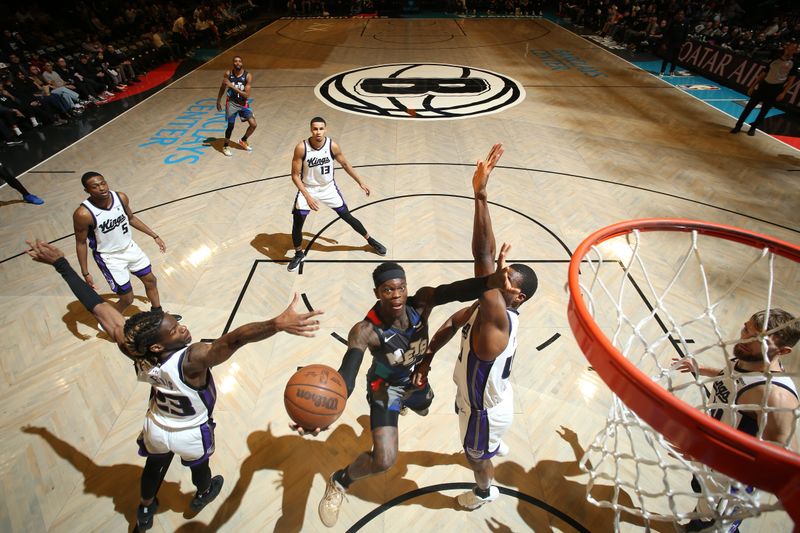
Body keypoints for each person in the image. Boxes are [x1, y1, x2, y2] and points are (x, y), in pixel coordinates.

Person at [24, 239, 323, 532]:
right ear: (157, 346)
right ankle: (204, 493)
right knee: (199, 467)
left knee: (154, 466)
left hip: (155, 426)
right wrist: (276, 324)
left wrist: (61, 265)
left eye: (176, 322)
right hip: (190, 431)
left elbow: (97, 307)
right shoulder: (192, 360)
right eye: (175, 330)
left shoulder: (132, 347)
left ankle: (144, 508)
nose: (183, 327)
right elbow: (234, 339)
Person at [301, 146, 526, 529]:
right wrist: (331, 402)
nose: (397, 294)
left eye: (400, 286)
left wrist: (490, 282)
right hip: (385, 388)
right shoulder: (365, 331)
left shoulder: (421, 301)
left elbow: (457, 289)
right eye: (388, 289)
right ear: (377, 294)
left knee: (425, 402)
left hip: (415, 380)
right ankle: (341, 480)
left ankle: (413, 401)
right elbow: (349, 370)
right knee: (385, 458)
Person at [411, 143, 538, 509]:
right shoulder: (486, 312)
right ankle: (493, 444)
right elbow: (454, 320)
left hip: (482, 411)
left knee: (475, 458)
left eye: (505, 279)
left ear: (518, 298)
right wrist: (429, 356)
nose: (498, 279)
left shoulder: (497, 321)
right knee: (482, 440)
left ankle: (485, 491)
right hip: (487, 396)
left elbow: (482, 258)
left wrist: (480, 196)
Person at [673, 308, 799, 531]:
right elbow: (728, 373)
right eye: (746, 330)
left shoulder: (775, 396)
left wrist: (710, 453)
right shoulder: (747, 357)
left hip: (730, 482)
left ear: (784, 350)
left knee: (714, 525)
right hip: (710, 462)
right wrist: (699, 368)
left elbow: (779, 464)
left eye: (757, 339)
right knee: (702, 512)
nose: (745, 339)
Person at [286, 116, 386, 272]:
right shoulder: (301, 148)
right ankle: (299, 253)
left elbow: (345, 164)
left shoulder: (332, 145)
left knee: (347, 215)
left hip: (328, 187)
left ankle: (370, 241)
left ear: (325, 129)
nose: (318, 132)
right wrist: (307, 196)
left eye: (321, 128)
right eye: (315, 128)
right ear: (311, 130)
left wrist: (360, 182)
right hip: (308, 188)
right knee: (297, 222)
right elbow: (294, 175)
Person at [73, 171, 165, 316]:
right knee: (127, 299)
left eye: (103, 183)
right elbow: (81, 243)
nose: (102, 188)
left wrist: (154, 235)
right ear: (87, 191)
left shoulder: (120, 197)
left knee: (151, 280)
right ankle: (109, 323)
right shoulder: (83, 214)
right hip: (109, 257)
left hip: (130, 248)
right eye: (95, 186)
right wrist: (85, 273)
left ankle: (157, 314)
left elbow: (131, 218)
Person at [730, 41, 799, 136]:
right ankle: (738, 126)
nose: (789, 50)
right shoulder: (775, 58)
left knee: (763, 111)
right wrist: (753, 86)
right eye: (789, 48)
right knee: (749, 107)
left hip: (776, 89)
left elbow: (791, 80)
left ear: (795, 51)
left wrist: (783, 93)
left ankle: (753, 128)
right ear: (786, 48)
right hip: (764, 86)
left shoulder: (794, 63)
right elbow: (764, 73)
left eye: (792, 49)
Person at [215, 55, 256, 156]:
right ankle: (225, 146)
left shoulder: (247, 76)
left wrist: (232, 86)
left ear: (242, 63)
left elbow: (246, 95)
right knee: (230, 126)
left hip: (243, 103)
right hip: (231, 103)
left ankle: (243, 140)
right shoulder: (228, 74)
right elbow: (222, 87)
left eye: (239, 61)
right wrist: (218, 100)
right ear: (233, 63)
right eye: (235, 61)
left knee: (253, 124)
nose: (237, 63)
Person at [659, 11, 688, 76]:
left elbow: (685, 34)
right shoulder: (673, 22)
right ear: (677, 15)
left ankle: (671, 71)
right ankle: (662, 71)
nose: (680, 15)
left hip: (679, 44)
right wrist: (664, 42)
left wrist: (683, 43)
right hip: (671, 42)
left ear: (683, 15)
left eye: (681, 14)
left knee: (675, 58)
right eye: (679, 14)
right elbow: (667, 33)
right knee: (667, 57)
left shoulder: (685, 23)